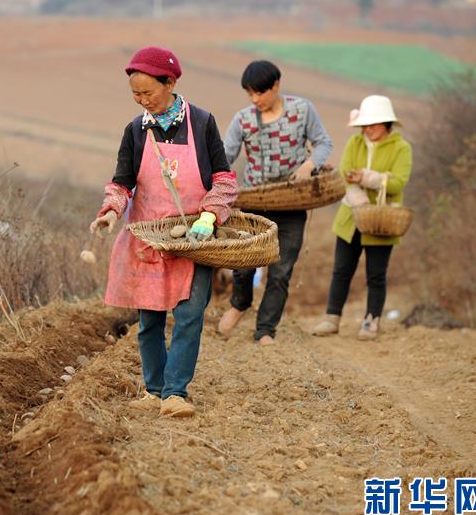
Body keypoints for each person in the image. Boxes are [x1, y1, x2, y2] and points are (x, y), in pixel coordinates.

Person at [90, 46, 238, 418]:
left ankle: (175, 393)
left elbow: (223, 179)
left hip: (194, 239)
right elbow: (122, 182)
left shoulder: (201, 123)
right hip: (149, 238)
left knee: (190, 315)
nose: (143, 101)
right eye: (136, 95)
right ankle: (154, 390)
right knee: (150, 321)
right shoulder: (135, 131)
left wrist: (209, 215)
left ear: (169, 83)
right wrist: (111, 211)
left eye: (148, 93)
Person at [216, 60, 333, 344]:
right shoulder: (243, 119)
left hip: (292, 203)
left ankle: (266, 330)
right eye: (250, 94)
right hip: (255, 201)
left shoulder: (302, 110)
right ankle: (240, 302)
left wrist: (308, 166)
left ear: (276, 85)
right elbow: (225, 156)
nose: (255, 99)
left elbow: (323, 143)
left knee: (281, 272)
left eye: (260, 93)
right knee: (244, 263)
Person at [312, 95, 412, 340]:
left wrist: (368, 178)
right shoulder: (354, 143)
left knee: (376, 274)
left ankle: (371, 320)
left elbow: (398, 183)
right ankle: (331, 318)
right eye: (365, 125)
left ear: (387, 123)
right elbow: (345, 174)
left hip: (382, 220)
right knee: (341, 270)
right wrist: (359, 197)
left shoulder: (401, 148)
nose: (368, 129)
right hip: (350, 217)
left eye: (374, 124)